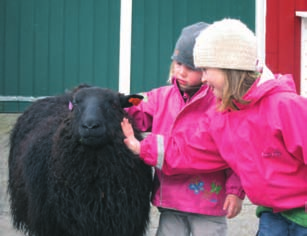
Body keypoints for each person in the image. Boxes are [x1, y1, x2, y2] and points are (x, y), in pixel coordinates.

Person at [122, 18, 307, 235]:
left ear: (230, 68)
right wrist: (142, 148)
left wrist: (234, 191)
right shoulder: (221, 117)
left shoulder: (286, 106)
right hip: (272, 212)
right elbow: (190, 151)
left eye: (206, 69)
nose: (205, 78)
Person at [123, 22, 245, 236]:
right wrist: (111, 103)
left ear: (208, 69)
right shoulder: (161, 97)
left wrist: (235, 191)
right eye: (178, 63)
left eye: (191, 67)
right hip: (171, 201)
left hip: (208, 204)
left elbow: (235, 153)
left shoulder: (221, 104)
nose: (182, 71)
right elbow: (137, 107)